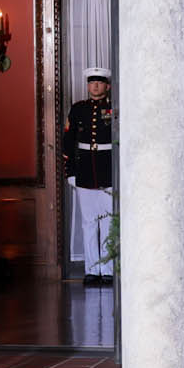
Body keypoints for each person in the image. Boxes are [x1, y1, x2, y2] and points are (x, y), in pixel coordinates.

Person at [61, 67, 115, 283]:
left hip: (108, 170)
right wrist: (70, 172)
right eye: (91, 82)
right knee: (88, 222)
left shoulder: (113, 109)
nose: (95, 86)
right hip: (84, 172)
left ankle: (108, 270)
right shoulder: (78, 109)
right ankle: (92, 270)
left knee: (108, 223)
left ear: (107, 86)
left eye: (99, 82)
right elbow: (68, 141)